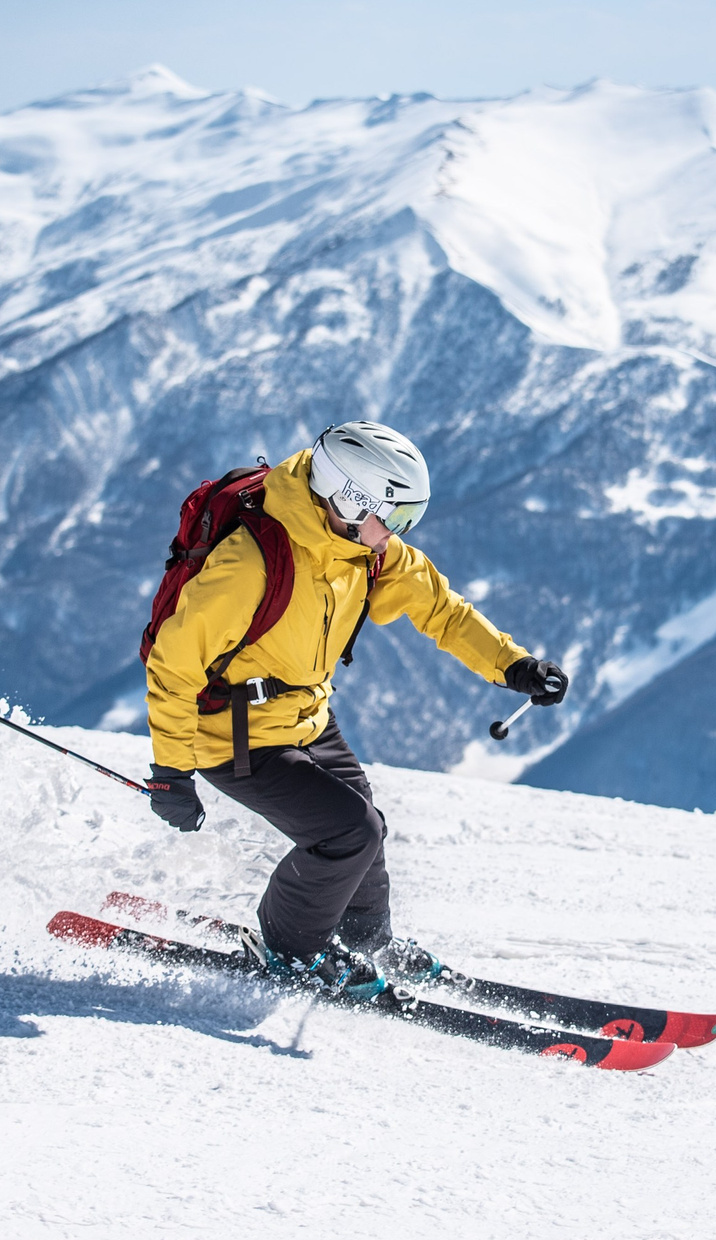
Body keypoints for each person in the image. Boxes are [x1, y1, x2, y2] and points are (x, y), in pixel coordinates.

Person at [142, 420, 568, 996]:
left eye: (406, 521)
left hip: (307, 719)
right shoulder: (252, 563)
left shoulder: (362, 550)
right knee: (347, 832)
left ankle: (368, 942)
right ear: (348, 498)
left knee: (365, 824)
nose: (397, 533)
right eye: (394, 518)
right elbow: (173, 662)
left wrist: (514, 666)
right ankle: (285, 951)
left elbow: (440, 609)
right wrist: (171, 771)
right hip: (232, 734)